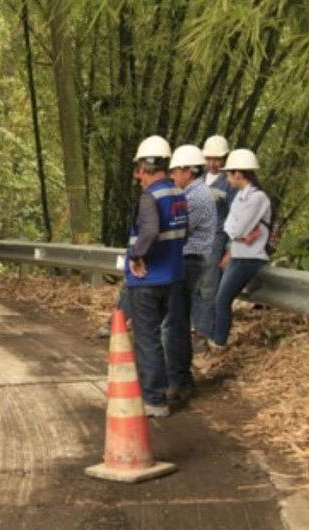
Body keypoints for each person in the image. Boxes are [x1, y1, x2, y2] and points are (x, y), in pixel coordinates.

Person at [125, 135, 188, 418]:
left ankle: (154, 399)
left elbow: (149, 232)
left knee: (147, 338)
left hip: (147, 279)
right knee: (164, 334)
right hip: (172, 277)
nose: (138, 176)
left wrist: (136, 256)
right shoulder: (177, 194)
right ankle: (172, 385)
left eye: (140, 168)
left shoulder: (150, 197)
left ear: (149, 165)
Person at [163, 145, 216, 404]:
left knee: (174, 325)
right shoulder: (194, 193)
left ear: (187, 170)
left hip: (187, 262)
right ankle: (183, 380)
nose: (173, 176)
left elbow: (176, 231)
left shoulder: (194, 198)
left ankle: (177, 381)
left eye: (175, 171)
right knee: (179, 322)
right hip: (189, 262)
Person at [204, 149, 271, 355]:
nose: (226, 177)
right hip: (239, 254)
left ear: (238, 174)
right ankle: (216, 339)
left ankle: (219, 343)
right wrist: (235, 236)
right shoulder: (242, 196)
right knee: (220, 298)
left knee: (222, 299)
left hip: (250, 258)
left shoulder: (257, 198)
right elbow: (231, 226)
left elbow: (235, 228)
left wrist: (236, 231)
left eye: (228, 173)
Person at [193, 135, 236, 344]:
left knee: (209, 285)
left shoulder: (230, 182)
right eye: (209, 158)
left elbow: (235, 216)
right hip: (194, 235)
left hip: (216, 236)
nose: (212, 163)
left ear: (224, 158)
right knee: (193, 281)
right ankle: (194, 324)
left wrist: (229, 248)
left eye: (217, 159)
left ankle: (204, 330)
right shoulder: (197, 177)